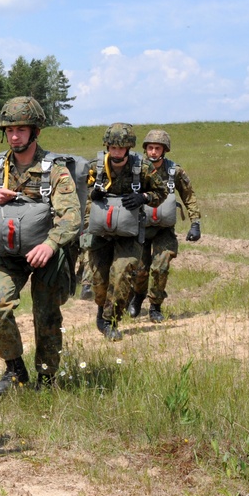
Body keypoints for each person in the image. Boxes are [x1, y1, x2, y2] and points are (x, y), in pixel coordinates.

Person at [0, 96, 80, 394]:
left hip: (46, 255)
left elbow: (72, 217)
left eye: (21, 129)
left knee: (46, 317)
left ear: (35, 131)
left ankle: (46, 378)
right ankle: (15, 369)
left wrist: (51, 245)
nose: (14, 135)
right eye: (10, 130)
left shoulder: (54, 170)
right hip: (6, 256)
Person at [84, 123, 167, 341]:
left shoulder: (143, 168)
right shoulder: (96, 167)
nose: (116, 152)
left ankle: (111, 321)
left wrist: (144, 197)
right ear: (107, 146)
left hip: (129, 234)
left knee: (121, 275)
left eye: (121, 148)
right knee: (100, 283)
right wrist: (92, 194)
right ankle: (101, 313)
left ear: (128, 148)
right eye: (112, 147)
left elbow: (162, 191)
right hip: (100, 233)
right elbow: (79, 190)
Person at [127, 129, 202, 323]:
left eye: (157, 148)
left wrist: (195, 223)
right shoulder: (137, 169)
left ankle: (155, 306)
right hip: (140, 228)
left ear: (164, 150)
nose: (153, 152)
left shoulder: (174, 171)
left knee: (160, 268)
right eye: (150, 148)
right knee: (140, 270)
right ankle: (137, 298)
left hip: (164, 230)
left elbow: (189, 196)